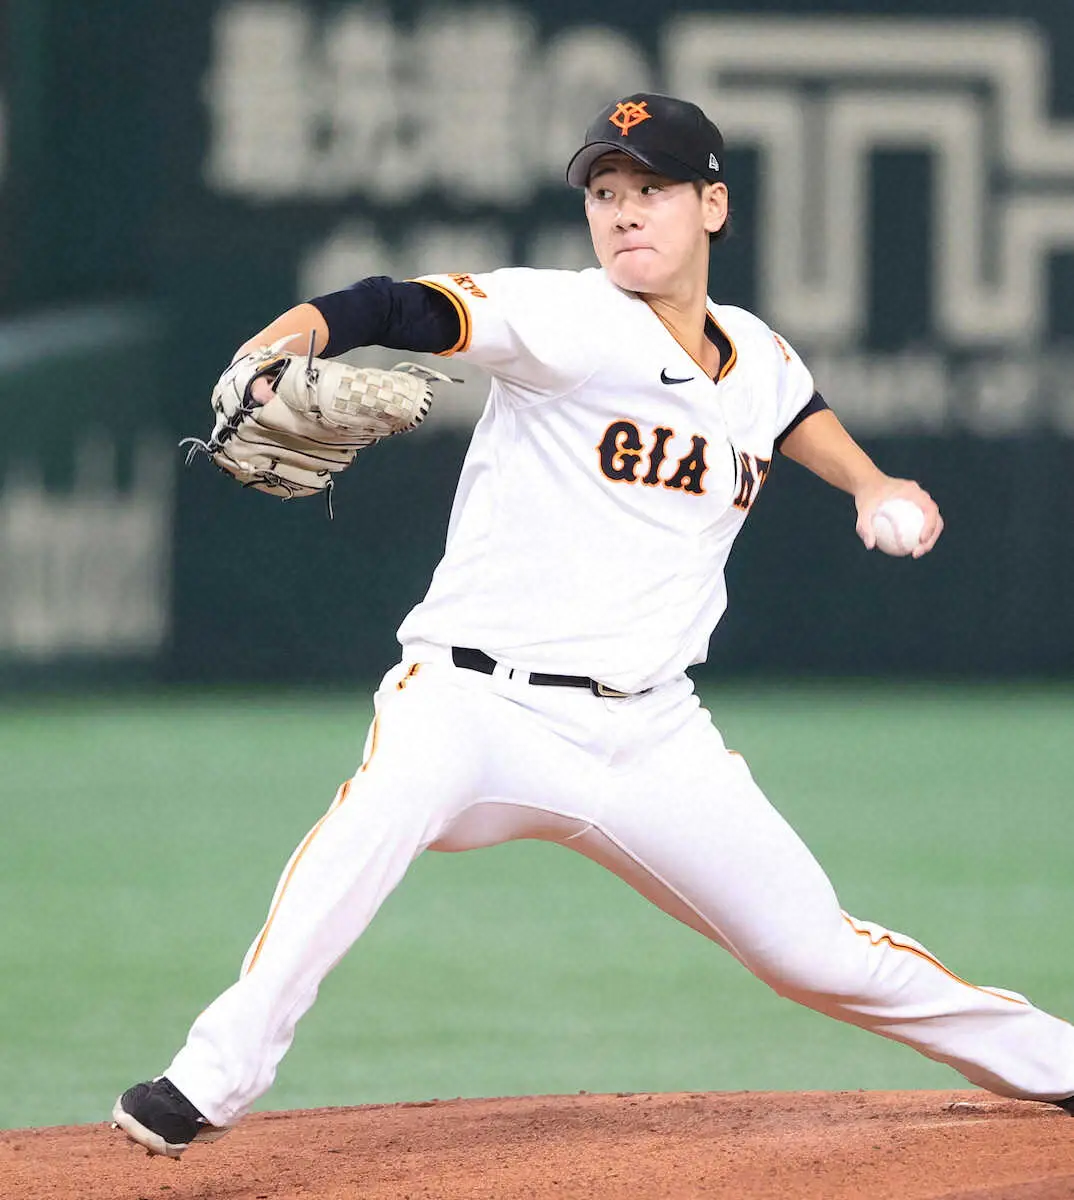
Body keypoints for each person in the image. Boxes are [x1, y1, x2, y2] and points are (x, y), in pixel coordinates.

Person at [113, 93, 1074, 1158]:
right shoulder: (567, 317)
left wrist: (870, 481)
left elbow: (793, 408)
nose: (624, 211)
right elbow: (397, 304)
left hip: (652, 733)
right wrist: (274, 344)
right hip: (476, 703)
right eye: (606, 191)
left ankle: (1058, 1060)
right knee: (366, 829)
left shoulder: (754, 353)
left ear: (712, 206)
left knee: (817, 955)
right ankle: (208, 1079)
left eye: (652, 188)